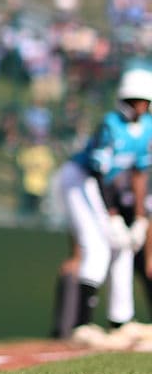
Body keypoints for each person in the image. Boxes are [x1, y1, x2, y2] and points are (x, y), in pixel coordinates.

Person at [50, 68, 152, 341]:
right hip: (79, 180)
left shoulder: (146, 128)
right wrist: (113, 216)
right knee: (97, 246)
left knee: (125, 247)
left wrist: (140, 218)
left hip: (102, 187)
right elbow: (99, 173)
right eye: (139, 101)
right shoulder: (110, 125)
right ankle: (82, 325)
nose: (143, 106)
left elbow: (140, 174)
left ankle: (121, 321)